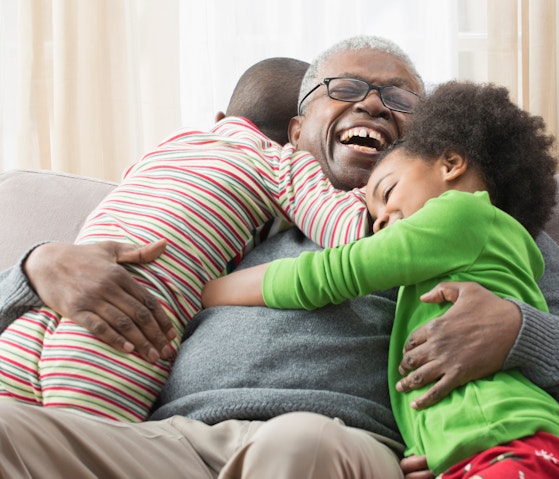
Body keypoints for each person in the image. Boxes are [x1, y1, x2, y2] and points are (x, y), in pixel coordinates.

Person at [0, 36, 559, 478]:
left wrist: (518, 333)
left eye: (400, 99)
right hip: (164, 447)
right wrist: (33, 272)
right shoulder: (220, 215)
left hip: (330, 445)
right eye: (345, 87)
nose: (371, 103)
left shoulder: (480, 227)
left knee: (297, 441)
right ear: (293, 129)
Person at [202, 80, 559, 478]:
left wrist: (208, 291)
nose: (383, 223)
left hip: (513, 444)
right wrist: (438, 451)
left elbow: (333, 273)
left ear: (451, 164)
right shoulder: (460, 257)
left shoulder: (463, 215)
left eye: (387, 194)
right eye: (375, 219)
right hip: (474, 452)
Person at [0, 56, 369, 422]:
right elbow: (348, 231)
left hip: (34, 317)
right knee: (82, 450)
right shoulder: (281, 162)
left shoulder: (172, 145)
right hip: (125, 324)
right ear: (297, 133)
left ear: (220, 120)